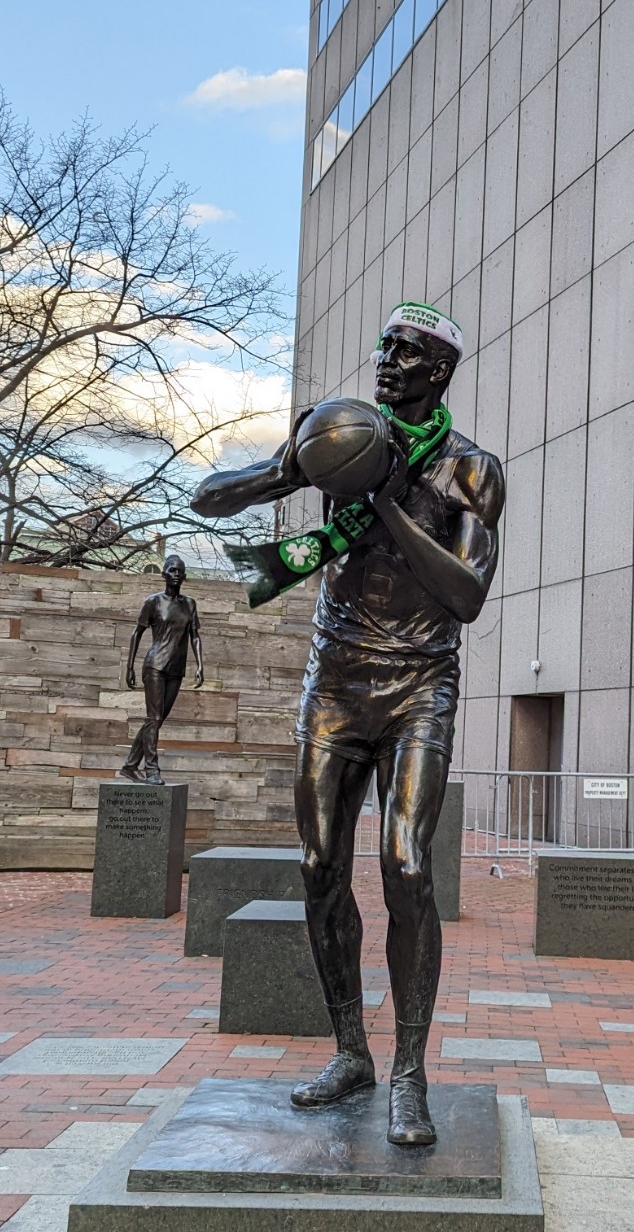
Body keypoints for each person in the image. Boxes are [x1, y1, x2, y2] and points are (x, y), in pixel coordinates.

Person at [191, 302, 505, 1146]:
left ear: (439, 370)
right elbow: (208, 499)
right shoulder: (336, 435)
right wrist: (287, 472)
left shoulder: (469, 469)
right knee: (320, 864)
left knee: (405, 864)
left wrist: (385, 503)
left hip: (419, 682)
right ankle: (351, 1052)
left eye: (405, 352)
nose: (387, 360)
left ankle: (410, 1071)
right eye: (385, 346)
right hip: (335, 681)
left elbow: (467, 595)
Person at [119, 554, 203, 784]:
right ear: (164, 574)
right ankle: (152, 769)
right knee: (154, 717)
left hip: (176, 668)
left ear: (184, 576)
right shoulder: (153, 602)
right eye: (172, 570)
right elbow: (137, 633)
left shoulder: (189, 604)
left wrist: (200, 665)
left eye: (180, 571)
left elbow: (195, 636)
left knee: (155, 719)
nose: (176, 574)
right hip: (155, 665)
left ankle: (129, 765)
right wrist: (130, 667)